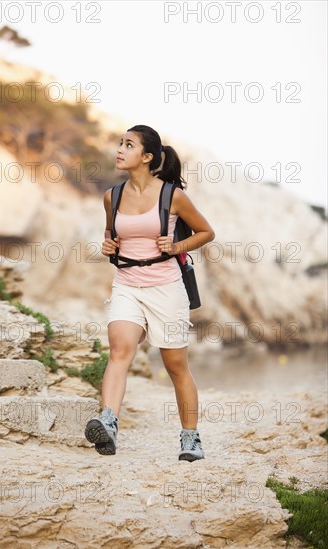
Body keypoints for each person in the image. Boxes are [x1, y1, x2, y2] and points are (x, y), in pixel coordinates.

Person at [85, 124, 215, 461]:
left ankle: (191, 439)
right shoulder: (111, 196)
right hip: (127, 284)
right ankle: (109, 422)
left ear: (147, 157)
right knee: (119, 350)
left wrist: (176, 246)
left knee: (175, 366)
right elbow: (111, 238)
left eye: (128, 145)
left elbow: (205, 232)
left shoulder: (172, 196)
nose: (120, 149)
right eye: (120, 143)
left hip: (166, 288)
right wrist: (108, 245)